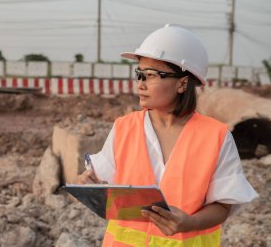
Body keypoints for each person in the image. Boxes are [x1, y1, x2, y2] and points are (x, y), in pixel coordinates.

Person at [77, 24, 258, 247]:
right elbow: (104, 185)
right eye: (139, 74)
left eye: (151, 75)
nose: (140, 84)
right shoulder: (124, 128)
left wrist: (189, 223)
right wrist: (90, 185)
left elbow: (223, 206)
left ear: (182, 83)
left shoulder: (216, 137)